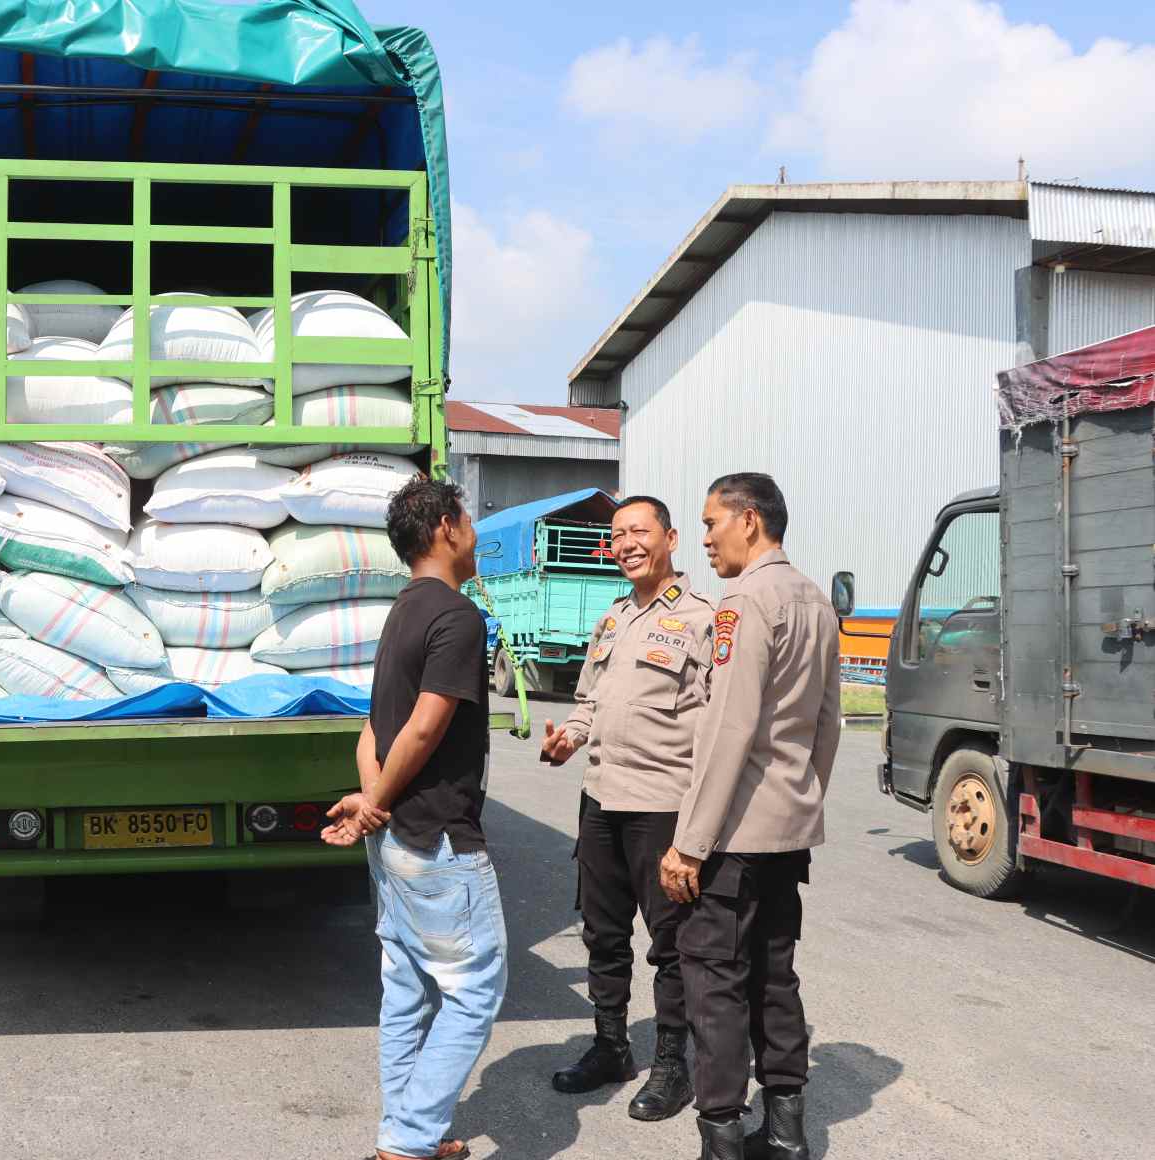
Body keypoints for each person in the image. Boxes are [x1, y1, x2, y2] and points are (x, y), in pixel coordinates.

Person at [658, 473, 840, 1160]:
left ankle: (723, 1138)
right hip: (786, 831)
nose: (704, 538)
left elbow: (727, 729)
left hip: (732, 836)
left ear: (751, 520)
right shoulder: (816, 601)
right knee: (775, 976)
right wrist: (801, 801)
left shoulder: (745, 601)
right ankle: (787, 1134)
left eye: (712, 523)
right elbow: (826, 724)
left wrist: (690, 845)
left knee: (714, 984)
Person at [322, 477, 504, 1160]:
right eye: (469, 518)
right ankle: (407, 1142)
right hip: (437, 839)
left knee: (405, 986)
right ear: (445, 529)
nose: (475, 532)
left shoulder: (403, 611)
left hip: (398, 835)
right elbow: (422, 730)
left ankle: (409, 1134)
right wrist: (377, 803)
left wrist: (374, 805)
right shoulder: (457, 616)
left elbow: (372, 729)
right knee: (474, 990)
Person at [541, 495, 715, 1120]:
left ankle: (673, 1065)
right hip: (601, 800)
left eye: (639, 532)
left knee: (672, 944)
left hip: (663, 806)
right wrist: (569, 738)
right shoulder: (612, 618)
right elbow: (588, 700)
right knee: (602, 934)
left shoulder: (701, 619)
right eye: (617, 535)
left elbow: (721, 720)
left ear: (671, 539)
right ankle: (611, 1045)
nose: (627, 543)